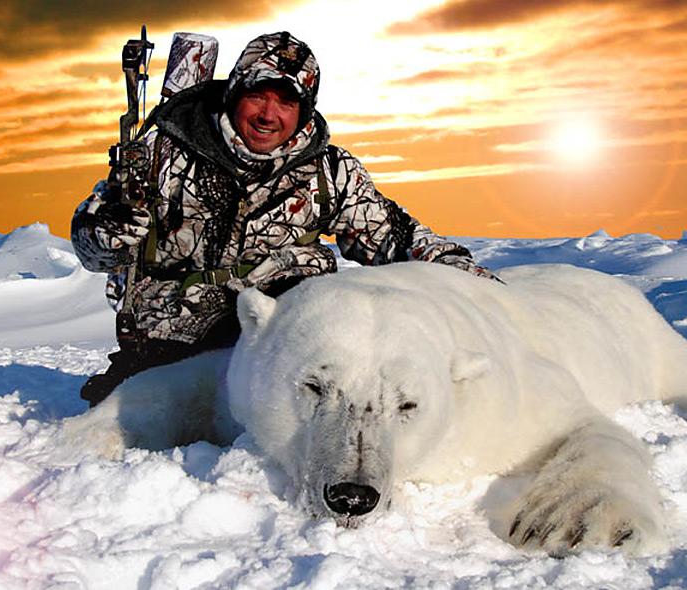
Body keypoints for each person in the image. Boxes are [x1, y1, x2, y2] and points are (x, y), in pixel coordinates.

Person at [71, 31, 497, 407]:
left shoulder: (329, 171)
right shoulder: (160, 153)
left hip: (283, 352)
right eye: (258, 95)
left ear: (304, 109)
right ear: (235, 93)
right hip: (170, 341)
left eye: (287, 101)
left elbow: (395, 239)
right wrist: (105, 232)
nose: (268, 114)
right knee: (129, 427)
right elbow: (90, 247)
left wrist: (476, 285)